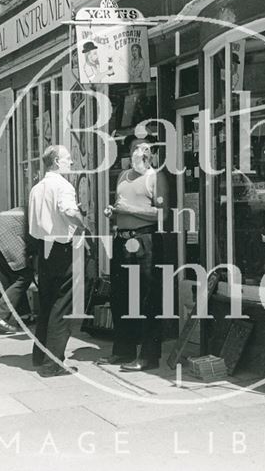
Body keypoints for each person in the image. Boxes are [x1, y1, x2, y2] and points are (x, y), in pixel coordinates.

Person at [99, 136, 169, 371]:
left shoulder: (156, 177)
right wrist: (114, 211)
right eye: (138, 149)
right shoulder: (122, 176)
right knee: (120, 298)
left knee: (148, 299)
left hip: (145, 240)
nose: (143, 153)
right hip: (122, 241)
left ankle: (149, 356)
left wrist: (129, 209)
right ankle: (123, 351)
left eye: (147, 150)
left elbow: (163, 215)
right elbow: (121, 204)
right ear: (129, 153)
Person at [29, 145, 83, 378]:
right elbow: (69, 211)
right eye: (67, 159)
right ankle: (53, 363)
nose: (70, 162)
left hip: (43, 247)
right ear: (55, 162)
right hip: (61, 248)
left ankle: (40, 355)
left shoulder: (37, 188)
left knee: (47, 302)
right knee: (62, 305)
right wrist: (83, 223)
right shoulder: (64, 186)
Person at [0, 207, 36, 334]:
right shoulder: (42, 214)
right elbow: (37, 241)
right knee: (24, 276)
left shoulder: (30, 207)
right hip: (3, 237)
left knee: (15, 276)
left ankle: (24, 315)